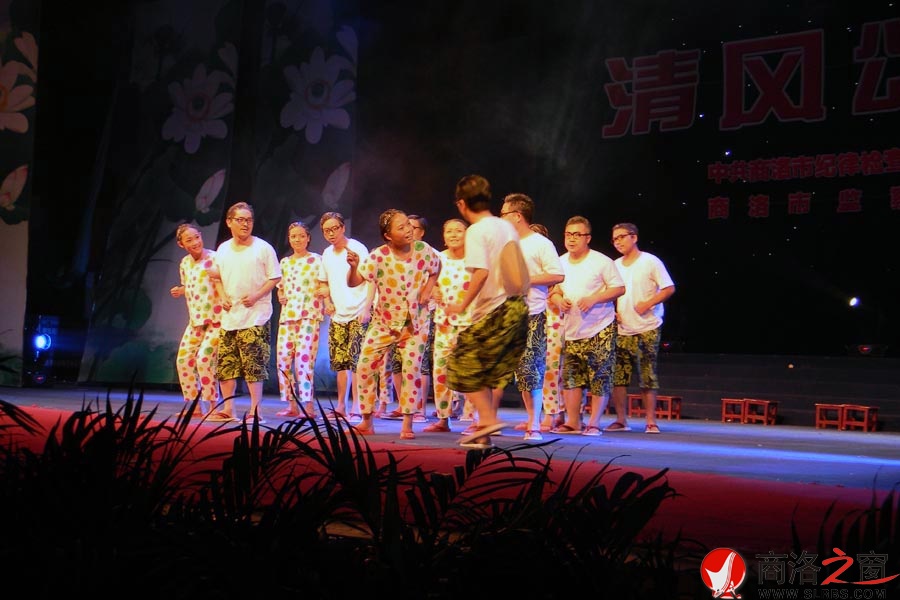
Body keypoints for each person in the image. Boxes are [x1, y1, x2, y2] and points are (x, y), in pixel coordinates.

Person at [445, 174, 530, 450]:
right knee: (482, 370)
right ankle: (484, 432)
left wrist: (462, 305)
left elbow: (481, 272)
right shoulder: (505, 227)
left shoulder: (477, 230)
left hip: (496, 308)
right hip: (517, 307)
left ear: (461, 203)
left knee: (461, 364)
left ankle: (488, 419)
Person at [346, 209, 441, 439]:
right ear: (388, 235)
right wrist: (353, 267)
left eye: (408, 224)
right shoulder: (378, 256)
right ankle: (366, 420)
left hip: (415, 322)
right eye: (401, 227)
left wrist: (428, 289)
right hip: (384, 322)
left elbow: (436, 268)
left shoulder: (423, 250)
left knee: (411, 370)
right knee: (365, 365)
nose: (408, 229)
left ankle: (407, 424)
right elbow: (354, 282)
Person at [548, 216, 625, 436]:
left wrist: (594, 298)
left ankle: (594, 423)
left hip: (600, 327)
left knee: (600, 376)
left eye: (577, 234)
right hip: (572, 330)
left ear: (588, 238)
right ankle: (573, 422)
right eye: (568, 234)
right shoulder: (560, 262)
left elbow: (619, 288)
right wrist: (558, 301)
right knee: (571, 378)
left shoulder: (601, 261)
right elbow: (554, 291)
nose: (571, 239)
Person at [500, 195, 565, 442]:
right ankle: (487, 421)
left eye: (504, 214)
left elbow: (557, 275)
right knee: (511, 372)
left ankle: (535, 424)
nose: (500, 218)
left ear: (517, 216)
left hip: (532, 315)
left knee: (530, 371)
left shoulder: (541, 244)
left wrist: (525, 279)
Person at [213, 202, 282, 423]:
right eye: (240, 220)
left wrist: (256, 296)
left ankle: (256, 410)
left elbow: (274, 277)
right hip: (230, 316)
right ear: (229, 222)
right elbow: (217, 277)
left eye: (249, 220)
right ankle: (228, 409)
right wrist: (222, 296)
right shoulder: (223, 249)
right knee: (226, 365)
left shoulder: (263, 248)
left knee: (254, 365)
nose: (245, 224)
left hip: (255, 315)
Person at [606, 222, 676, 434]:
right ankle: (621, 420)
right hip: (622, 328)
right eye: (614, 239)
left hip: (647, 327)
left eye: (621, 237)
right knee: (619, 376)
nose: (618, 242)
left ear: (634, 237)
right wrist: (612, 311)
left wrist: (648, 303)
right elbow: (608, 292)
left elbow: (669, 288)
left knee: (647, 374)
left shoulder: (650, 261)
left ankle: (650, 420)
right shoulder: (614, 265)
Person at [319, 212, 372, 421]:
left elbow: (370, 279)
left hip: (358, 311)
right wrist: (327, 302)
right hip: (338, 315)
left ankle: (358, 406)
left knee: (357, 361)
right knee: (341, 363)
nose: (331, 234)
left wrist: (367, 308)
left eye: (334, 229)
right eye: (326, 231)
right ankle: (341, 405)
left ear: (342, 228)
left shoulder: (357, 248)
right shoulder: (327, 253)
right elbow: (323, 282)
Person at [422, 218, 472, 433]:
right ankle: (443, 418)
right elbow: (426, 282)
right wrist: (433, 290)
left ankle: (476, 419)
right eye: (449, 231)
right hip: (444, 323)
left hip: (469, 324)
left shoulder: (475, 260)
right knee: (441, 371)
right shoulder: (438, 259)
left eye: (458, 231)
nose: (453, 235)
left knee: (471, 372)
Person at [274, 221, 328, 418]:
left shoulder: (317, 260)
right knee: (283, 360)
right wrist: (281, 295)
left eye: (301, 236)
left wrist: (325, 297)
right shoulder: (285, 263)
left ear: (308, 238)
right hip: (288, 316)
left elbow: (324, 284)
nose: (297, 239)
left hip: (308, 315)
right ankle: (292, 405)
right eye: (293, 236)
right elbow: (280, 287)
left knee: (304, 360)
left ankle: (308, 406)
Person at [169, 223, 222, 419]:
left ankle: (214, 406)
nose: (195, 242)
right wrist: (181, 290)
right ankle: (195, 408)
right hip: (195, 321)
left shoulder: (215, 258)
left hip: (216, 320)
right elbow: (192, 285)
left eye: (196, 237)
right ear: (181, 244)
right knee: (183, 360)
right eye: (189, 240)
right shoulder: (185, 263)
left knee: (205, 359)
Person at [530, 223, 566, 432]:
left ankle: (552, 414)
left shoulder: (554, 267)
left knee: (551, 369)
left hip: (552, 322)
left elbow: (559, 291)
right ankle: (541, 415)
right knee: (534, 369)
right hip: (531, 319)